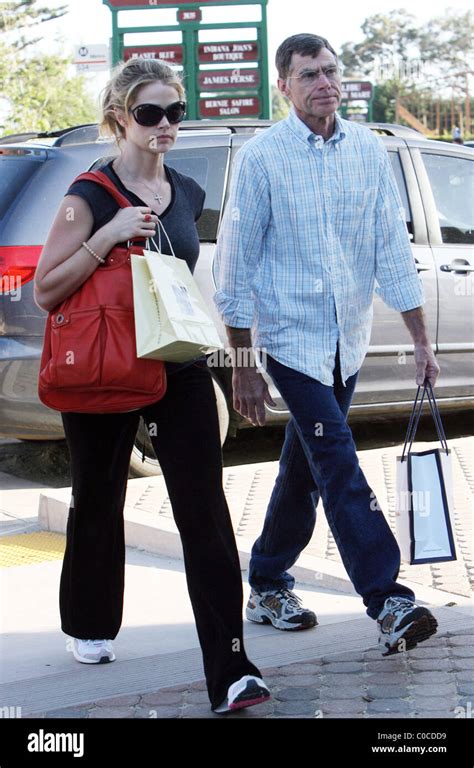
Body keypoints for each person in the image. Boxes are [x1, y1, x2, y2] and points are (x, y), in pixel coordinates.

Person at [34, 57, 270, 713]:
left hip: (177, 366)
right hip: (107, 365)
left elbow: (188, 286)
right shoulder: (88, 194)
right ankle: (89, 621)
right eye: (149, 114)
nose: (165, 125)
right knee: (98, 497)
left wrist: (237, 361)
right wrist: (106, 235)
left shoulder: (188, 192)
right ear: (119, 117)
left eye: (174, 111)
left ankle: (232, 670)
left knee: (205, 512)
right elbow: (46, 289)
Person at [214, 34, 440, 656]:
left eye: (332, 71)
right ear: (283, 86)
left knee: (303, 469)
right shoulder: (263, 159)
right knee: (337, 458)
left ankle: (265, 581)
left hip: (349, 338)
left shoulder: (369, 151)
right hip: (291, 341)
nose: (325, 83)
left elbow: (392, 253)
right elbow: (233, 270)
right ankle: (388, 600)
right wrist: (243, 365)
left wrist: (420, 343)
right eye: (309, 73)